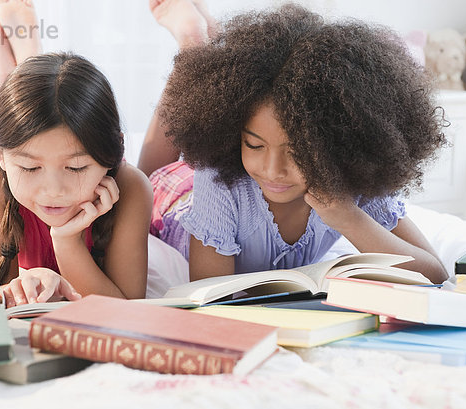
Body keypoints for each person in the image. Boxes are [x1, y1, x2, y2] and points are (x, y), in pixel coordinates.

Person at [139, 0, 449, 284]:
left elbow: (435, 273)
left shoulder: (353, 180)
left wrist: (347, 217)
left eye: (298, 153)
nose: (273, 171)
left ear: (339, 145)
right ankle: (192, 44)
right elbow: (210, 295)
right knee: (147, 178)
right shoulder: (218, 179)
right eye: (254, 145)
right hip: (181, 198)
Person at [0, 0, 153, 306]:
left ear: (114, 152)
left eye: (76, 168)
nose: (54, 191)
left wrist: (67, 241)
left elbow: (126, 308)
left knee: (48, 119)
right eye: (31, 169)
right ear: (2, 155)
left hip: (23, 158)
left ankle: (17, 68)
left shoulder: (132, 187)